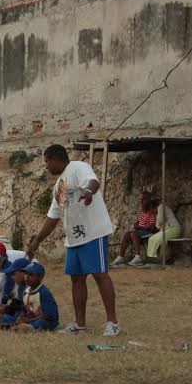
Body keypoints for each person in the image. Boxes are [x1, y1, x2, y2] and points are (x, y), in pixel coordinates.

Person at [27, 144, 120, 337]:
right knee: (76, 279)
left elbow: (92, 181)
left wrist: (88, 192)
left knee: (100, 275)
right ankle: (79, 323)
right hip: (74, 239)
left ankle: (112, 322)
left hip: (93, 233)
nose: (46, 166)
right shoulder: (58, 186)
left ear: (55, 158)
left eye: (47, 162)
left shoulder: (78, 167)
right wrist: (37, 241)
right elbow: (53, 217)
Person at [113, 192, 158, 266]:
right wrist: (137, 224)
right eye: (140, 199)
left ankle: (138, 257)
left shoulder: (152, 212)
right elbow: (141, 222)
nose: (141, 201)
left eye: (143, 199)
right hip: (142, 231)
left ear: (148, 200)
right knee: (127, 235)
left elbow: (151, 227)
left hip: (149, 232)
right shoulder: (143, 211)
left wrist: (139, 227)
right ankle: (120, 257)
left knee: (134, 234)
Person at [14, 262, 59, 332]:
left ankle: (31, 328)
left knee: (41, 323)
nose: (27, 277)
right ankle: (21, 326)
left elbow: (49, 315)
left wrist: (28, 320)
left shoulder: (44, 292)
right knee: (11, 317)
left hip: (45, 321)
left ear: (40, 277)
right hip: (31, 319)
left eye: (31, 275)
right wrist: (21, 317)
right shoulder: (26, 292)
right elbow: (25, 309)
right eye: (26, 274)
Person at [0, 241, 28, 309]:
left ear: (4, 256)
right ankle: (0, 309)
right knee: (2, 284)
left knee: (21, 293)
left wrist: (4, 300)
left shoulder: (10, 263)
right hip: (18, 270)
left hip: (30, 269)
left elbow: (9, 284)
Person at [143, 201, 182, 265]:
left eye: (151, 211)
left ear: (153, 207)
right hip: (168, 230)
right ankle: (153, 257)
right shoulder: (158, 212)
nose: (152, 213)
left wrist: (158, 222)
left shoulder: (161, 207)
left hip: (174, 229)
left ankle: (156, 258)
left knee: (156, 239)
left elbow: (160, 222)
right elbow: (158, 226)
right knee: (152, 238)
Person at [0, 258, 30, 326]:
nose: (12, 277)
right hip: (21, 312)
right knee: (6, 317)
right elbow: (16, 302)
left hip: (30, 314)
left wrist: (6, 310)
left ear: (24, 273)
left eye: (14, 274)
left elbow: (29, 308)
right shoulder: (18, 285)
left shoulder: (30, 288)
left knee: (10, 318)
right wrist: (6, 308)